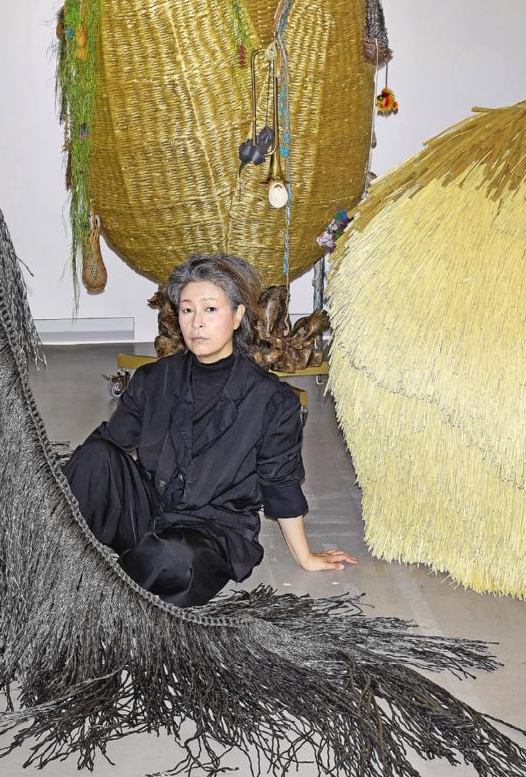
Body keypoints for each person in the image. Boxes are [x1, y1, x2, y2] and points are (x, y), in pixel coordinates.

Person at [64, 254, 357, 607]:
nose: (197, 323)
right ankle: (50, 559)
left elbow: (280, 484)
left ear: (237, 316)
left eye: (210, 310)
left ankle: (107, 586)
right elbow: (106, 450)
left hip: (213, 529)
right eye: (187, 310)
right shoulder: (154, 379)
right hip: (152, 508)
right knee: (94, 455)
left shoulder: (271, 400)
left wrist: (305, 556)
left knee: (173, 561)